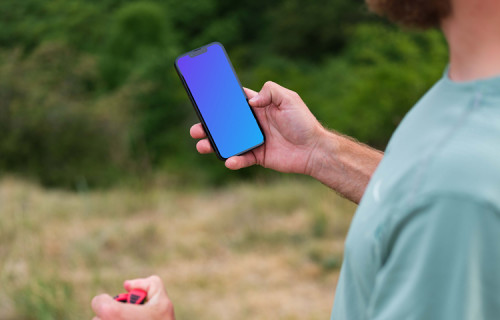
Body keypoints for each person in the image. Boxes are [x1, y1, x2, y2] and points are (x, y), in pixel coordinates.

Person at [91, 0, 500, 319]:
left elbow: (441, 192)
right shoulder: (466, 103)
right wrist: (320, 152)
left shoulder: (454, 183)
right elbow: (419, 194)